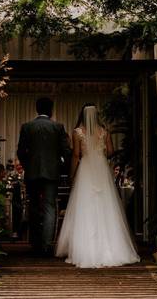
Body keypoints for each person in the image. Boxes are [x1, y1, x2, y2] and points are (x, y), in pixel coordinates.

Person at [56, 104, 140, 268]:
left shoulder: (78, 132)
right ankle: (111, 248)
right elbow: (110, 152)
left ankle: (86, 249)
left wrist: (72, 174)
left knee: (85, 206)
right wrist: (100, 152)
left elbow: (75, 155)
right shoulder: (104, 131)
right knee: (106, 206)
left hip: (86, 169)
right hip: (101, 169)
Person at [16, 97, 71, 257]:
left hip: (32, 172)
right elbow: (66, 152)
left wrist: (28, 165)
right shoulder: (58, 127)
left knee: (33, 206)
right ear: (51, 110)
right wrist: (59, 167)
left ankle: (35, 244)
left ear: (36, 109)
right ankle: (47, 245)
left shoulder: (27, 127)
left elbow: (21, 151)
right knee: (49, 208)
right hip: (52, 173)